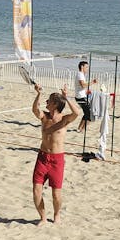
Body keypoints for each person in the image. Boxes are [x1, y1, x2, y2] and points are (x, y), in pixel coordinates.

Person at [31, 83, 82, 225]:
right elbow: (35, 109)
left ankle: (57, 215)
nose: (46, 102)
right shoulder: (44, 117)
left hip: (56, 159)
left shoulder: (64, 119)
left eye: (49, 100)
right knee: (36, 191)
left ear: (55, 105)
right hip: (42, 157)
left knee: (56, 194)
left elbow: (77, 113)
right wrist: (38, 94)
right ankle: (43, 217)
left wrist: (66, 97)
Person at [75, 60, 94, 133]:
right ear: (82, 67)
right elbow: (83, 85)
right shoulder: (80, 74)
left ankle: (79, 128)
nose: (87, 69)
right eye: (86, 67)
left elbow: (81, 87)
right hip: (80, 97)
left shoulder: (81, 74)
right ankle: (82, 130)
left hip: (81, 96)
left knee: (86, 113)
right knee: (90, 115)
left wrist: (87, 92)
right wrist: (92, 82)